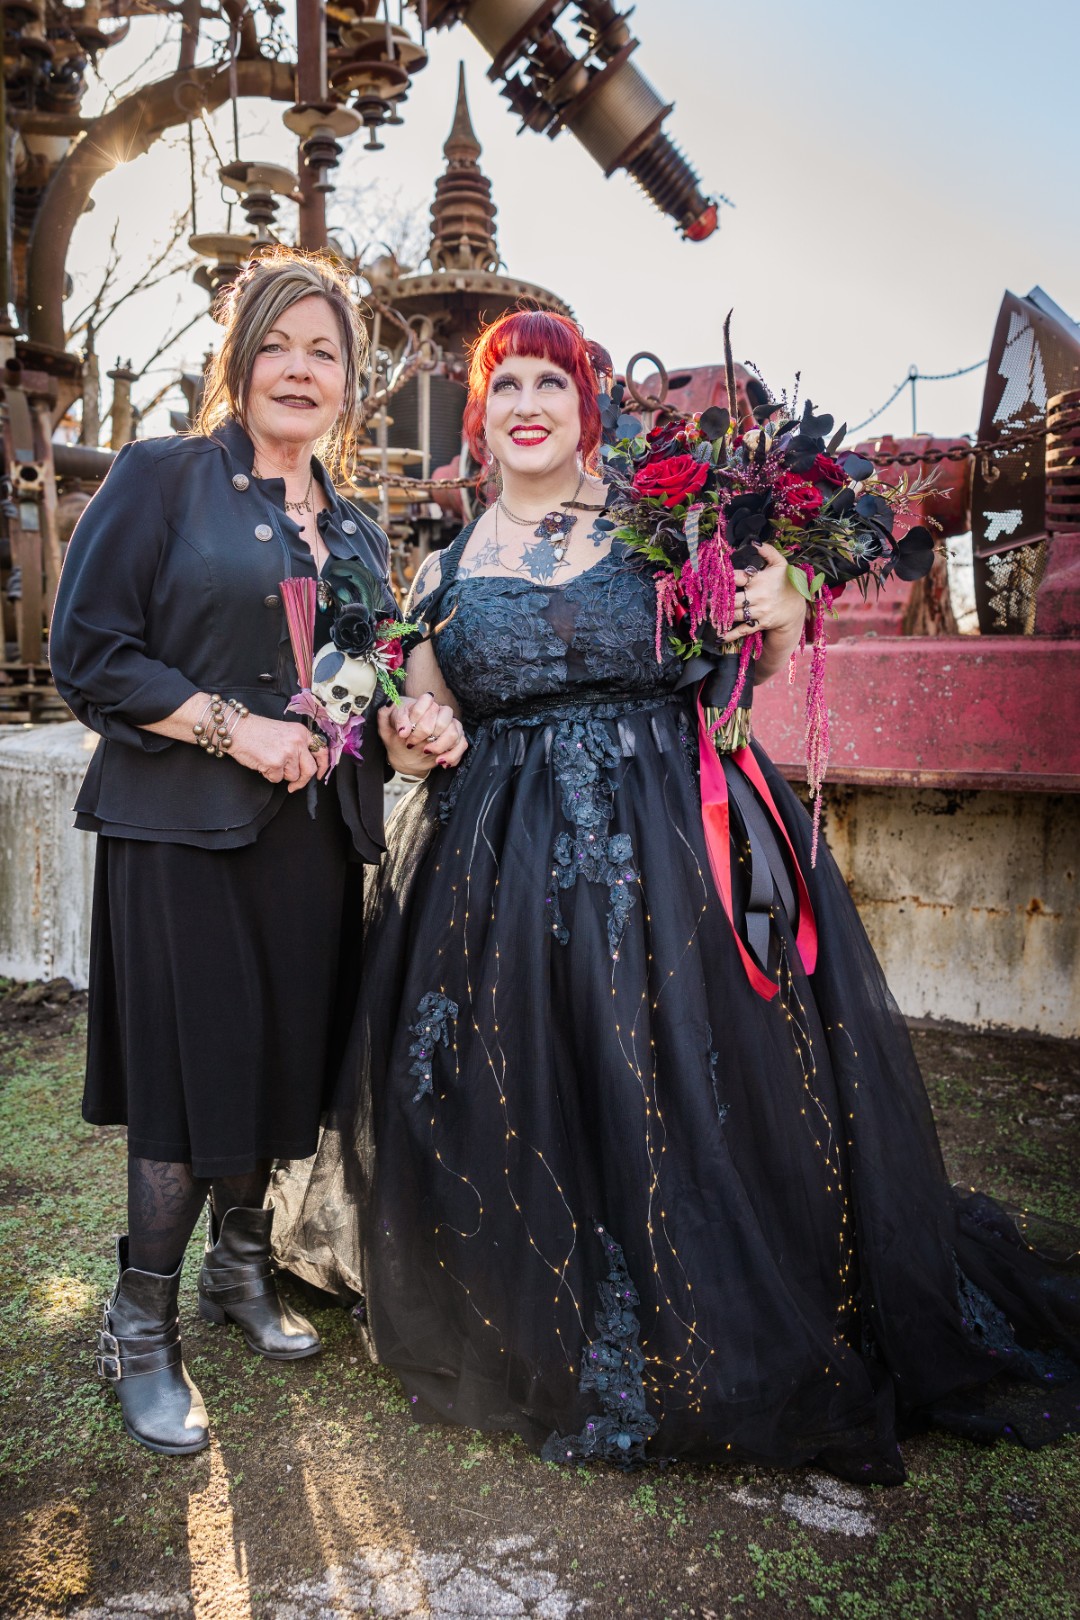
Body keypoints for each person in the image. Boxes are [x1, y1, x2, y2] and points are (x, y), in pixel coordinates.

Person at [275, 308, 1079, 1482]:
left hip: (668, 849)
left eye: (554, 381)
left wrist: (791, 599)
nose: (529, 402)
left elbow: (761, 629)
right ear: (481, 418)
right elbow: (421, 726)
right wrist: (411, 728)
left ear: (587, 411)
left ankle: (709, 1286)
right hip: (495, 870)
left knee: (677, 1071)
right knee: (534, 1079)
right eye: (507, 386)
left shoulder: (666, 528)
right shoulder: (442, 571)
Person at [48, 248, 466, 1457]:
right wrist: (235, 730)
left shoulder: (361, 533)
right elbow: (92, 654)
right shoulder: (162, 476)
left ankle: (241, 1275)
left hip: (314, 842)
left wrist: (405, 727)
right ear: (240, 360)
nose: (300, 367)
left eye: (324, 350)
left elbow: (369, 682)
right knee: (190, 1079)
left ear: (349, 383)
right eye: (278, 342)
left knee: (281, 1068)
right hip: (181, 831)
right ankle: (141, 1327)